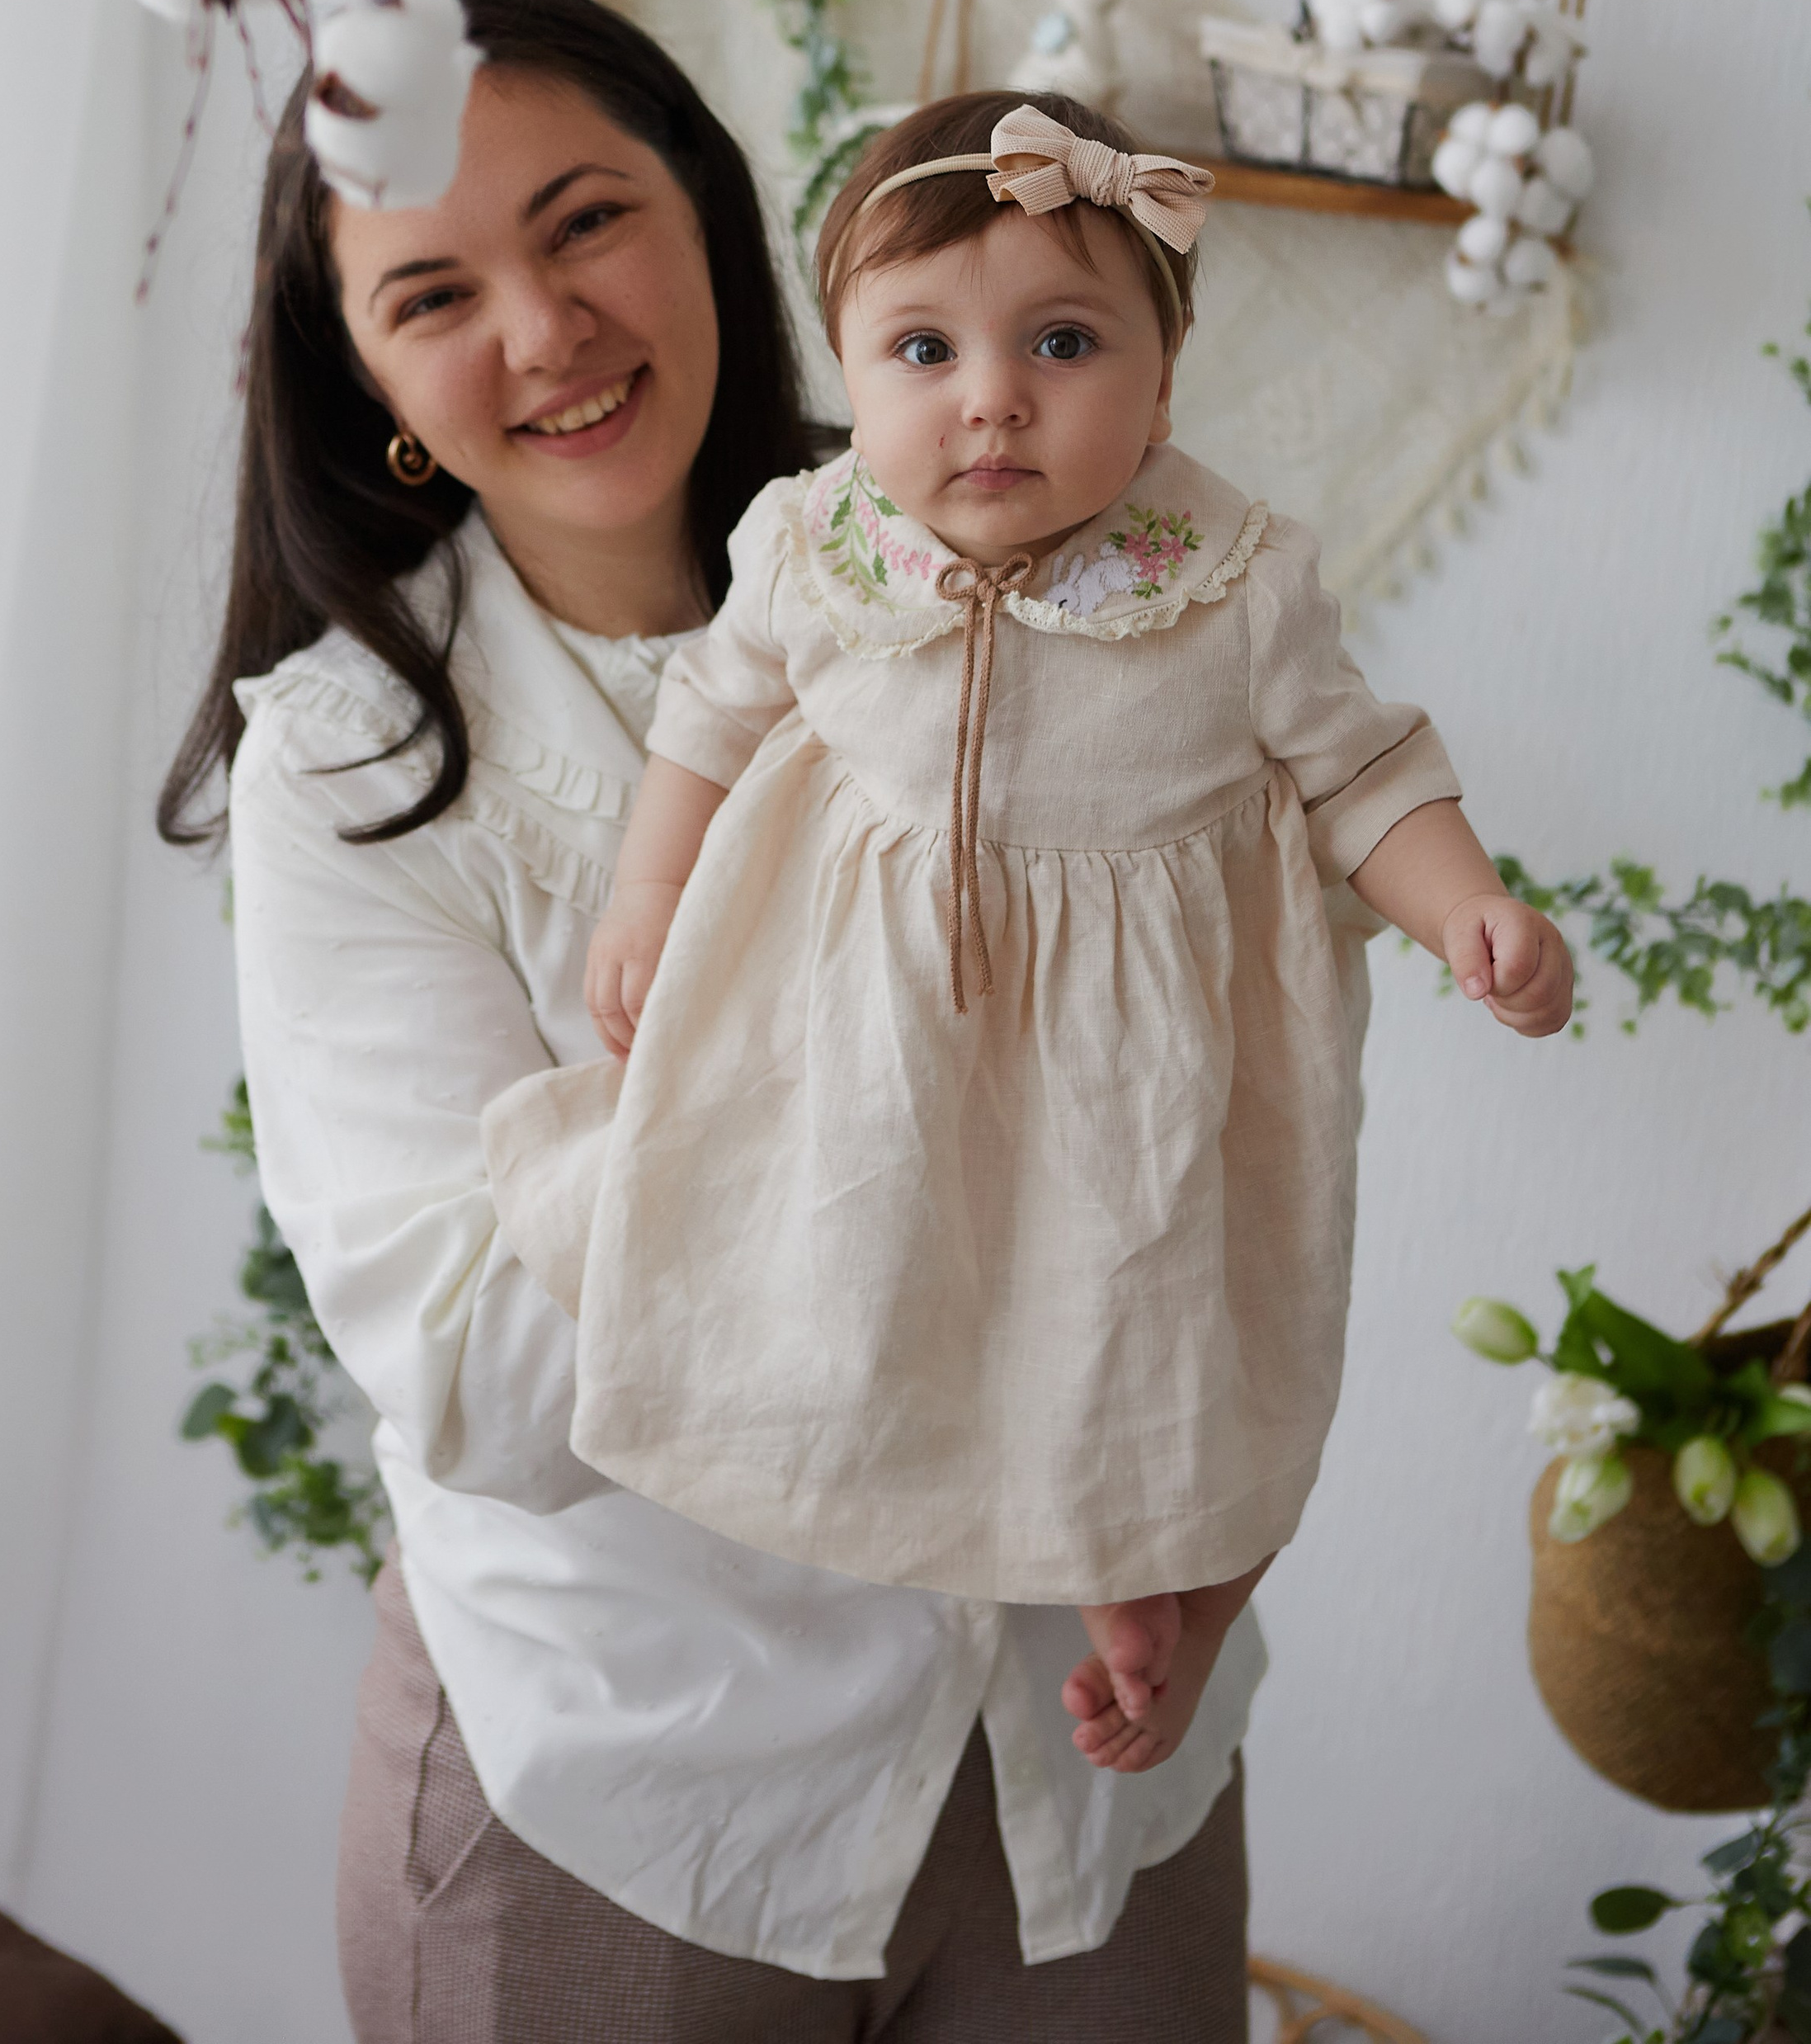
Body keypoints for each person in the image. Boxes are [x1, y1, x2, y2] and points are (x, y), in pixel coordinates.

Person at [162, 0, 1258, 2041]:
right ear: (376, 377)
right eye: (433, 294)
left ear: (705, 207)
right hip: (637, 1797)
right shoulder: (353, 766)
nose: (545, 331)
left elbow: (1211, 1081)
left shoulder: (1035, 557)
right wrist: (884, 1070)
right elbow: (480, 1373)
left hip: (1090, 1756)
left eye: (584, 221)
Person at [483, 87, 1574, 1786]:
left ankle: (1151, 1578)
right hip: (852, 1033)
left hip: (1130, 1077)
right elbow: (704, 717)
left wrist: (1466, 908)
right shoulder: (813, 541)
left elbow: (1359, 772)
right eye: (919, 350)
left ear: (1163, 374)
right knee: (831, 1256)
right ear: (846, 368)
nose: (988, 398)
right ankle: (807, 1462)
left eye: (1060, 341)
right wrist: (647, 894)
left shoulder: (1225, 577)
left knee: (1135, 1334)